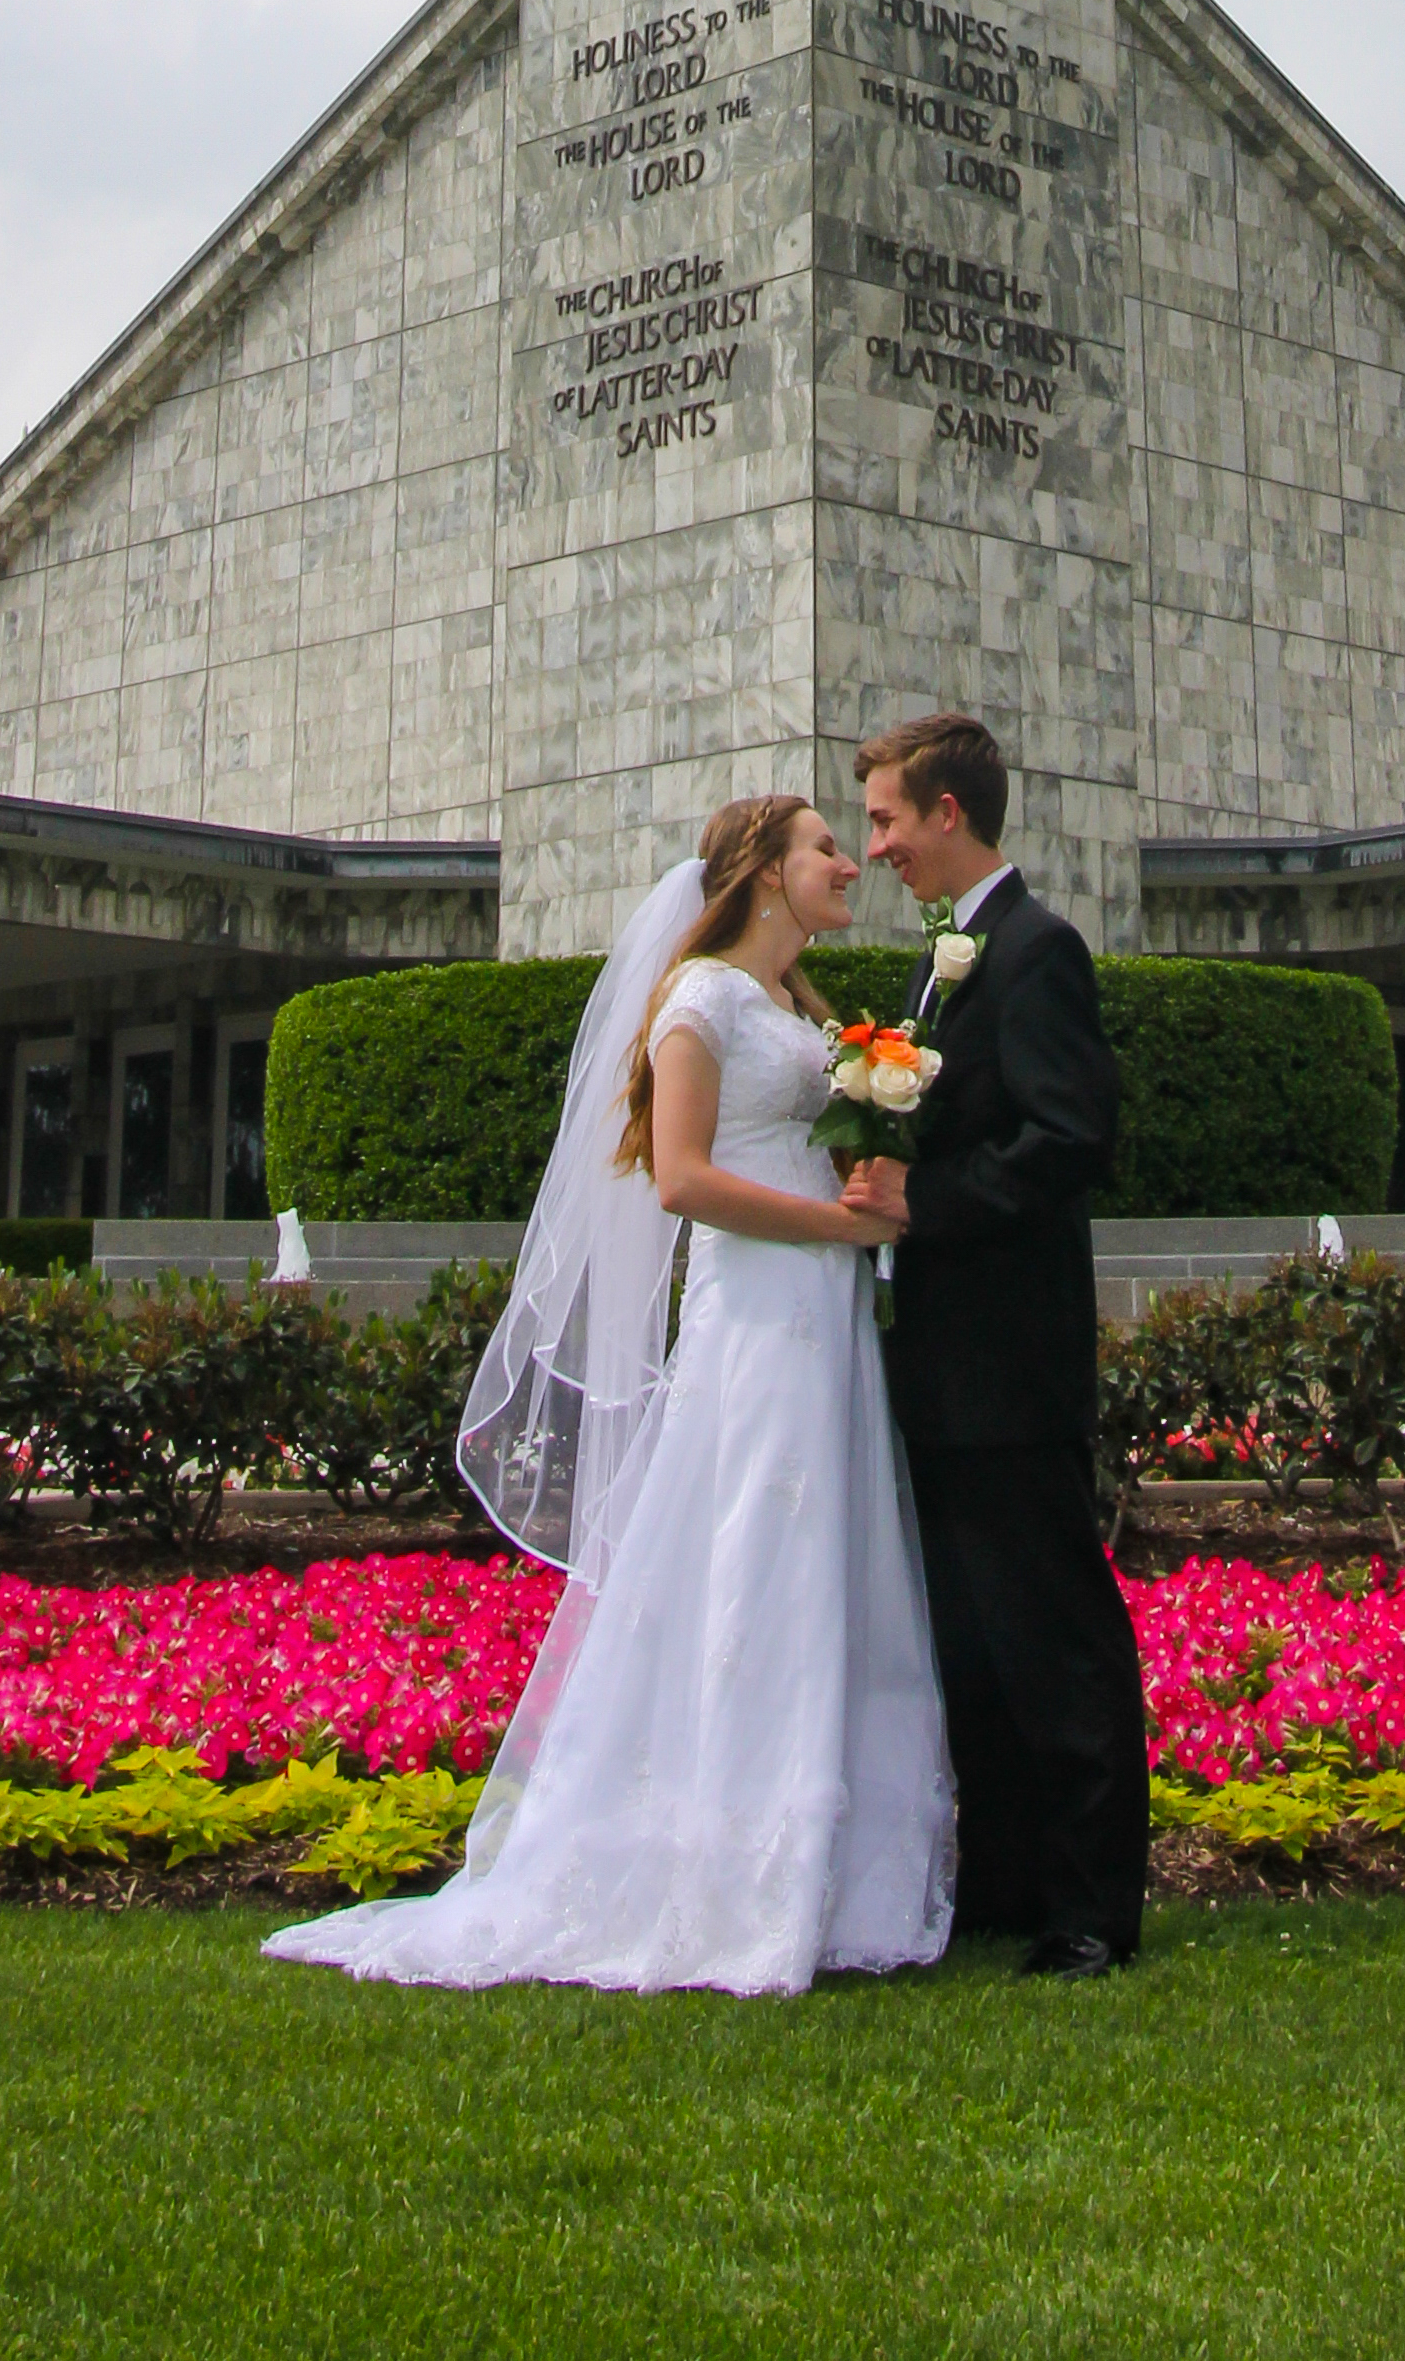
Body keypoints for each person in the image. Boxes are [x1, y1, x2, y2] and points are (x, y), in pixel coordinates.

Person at [262, 793, 953, 1996]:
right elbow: (681, 1179)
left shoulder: (798, 1005)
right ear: (763, 872)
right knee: (754, 1549)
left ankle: (842, 1867)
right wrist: (834, 1229)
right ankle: (727, 1867)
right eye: (824, 848)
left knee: (828, 1548)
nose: (849, 864)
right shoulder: (700, 1000)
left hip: (822, 1311)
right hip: (758, 1312)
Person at [843, 712, 1153, 1976]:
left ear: (948, 813)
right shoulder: (946, 961)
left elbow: (1072, 1138)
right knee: (975, 1645)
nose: (876, 847)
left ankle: (1090, 1908)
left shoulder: (1037, 951)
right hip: (943, 1366)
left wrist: (927, 1200)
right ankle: (1008, 1883)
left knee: (1054, 1639)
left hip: (1013, 1369)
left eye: (885, 820)